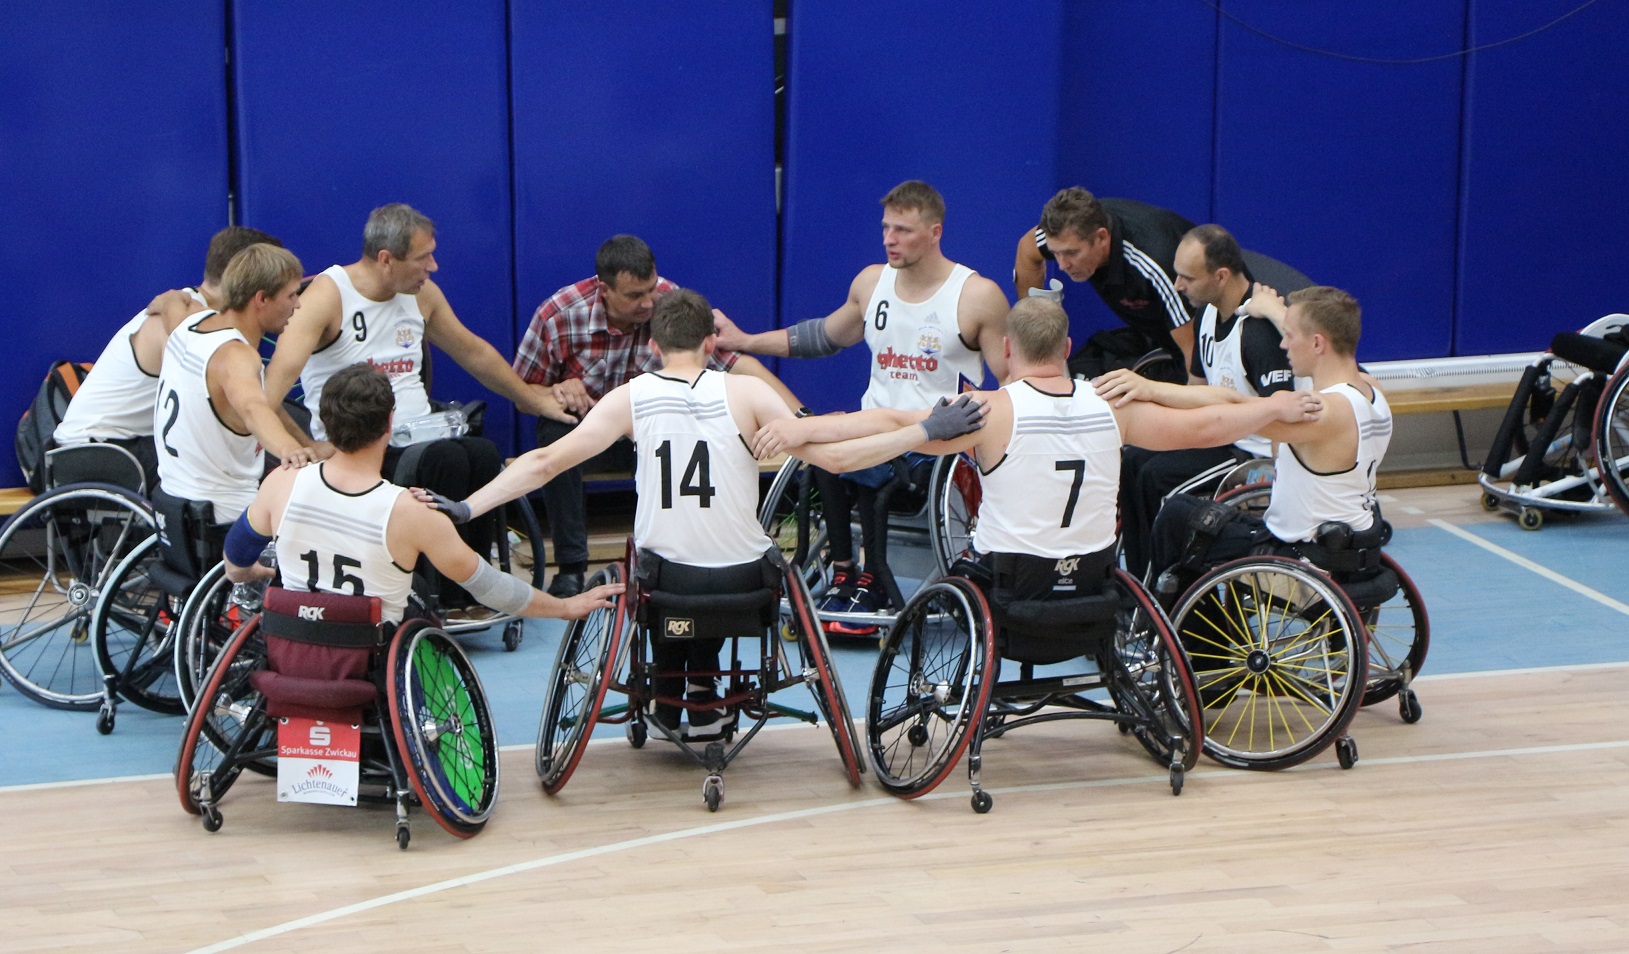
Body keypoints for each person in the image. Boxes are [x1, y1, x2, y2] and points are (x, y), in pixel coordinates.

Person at [421, 288, 985, 738]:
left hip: (667, 583)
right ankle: (702, 695)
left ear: (654, 341)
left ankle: (674, 693)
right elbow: (838, 451)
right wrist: (923, 429)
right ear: (712, 339)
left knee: (658, 565)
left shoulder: (632, 397)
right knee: (728, 558)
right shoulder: (746, 393)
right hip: (744, 583)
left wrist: (468, 505)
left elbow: (543, 463)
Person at [753, 297, 1323, 592]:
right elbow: (1210, 427)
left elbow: (881, 421)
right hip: (1095, 579)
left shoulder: (989, 412)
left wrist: (802, 428)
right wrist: (1272, 407)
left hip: (1013, 582)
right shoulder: (1112, 409)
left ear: (1006, 348)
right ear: (1069, 344)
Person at [712, 180, 1011, 628]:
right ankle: (843, 571)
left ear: (935, 232)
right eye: (886, 228)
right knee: (820, 446)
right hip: (875, 427)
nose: (890, 239)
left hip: (938, 443)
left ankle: (872, 577)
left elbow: (1009, 384)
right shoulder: (872, 282)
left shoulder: (976, 295)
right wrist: (745, 340)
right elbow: (824, 336)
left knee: (868, 460)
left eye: (904, 230)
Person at [263, 203, 544, 609]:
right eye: (423, 257)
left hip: (417, 429)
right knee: (444, 460)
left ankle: (475, 585)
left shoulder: (420, 294)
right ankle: (446, 598)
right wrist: (302, 447)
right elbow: (271, 390)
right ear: (386, 260)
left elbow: (473, 353)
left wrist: (532, 399)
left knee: (482, 454)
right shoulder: (327, 295)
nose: (433, 266)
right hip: (358, 442)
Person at [222, 362, 619, 627]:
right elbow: (490, 586)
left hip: (294, 648)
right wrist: (565, 607)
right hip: (369, 657)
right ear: (390, 423)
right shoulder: (412, 512)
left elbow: (236, 557)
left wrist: (250, 572)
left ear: (324, 421)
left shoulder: (282, 482)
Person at [511, 233, 799, 598]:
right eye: (635, 296)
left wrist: (801, 418)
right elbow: (522, 394)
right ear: (603, 288)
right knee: (554, 428)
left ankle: (699, 552)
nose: (648, 303)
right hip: (595, 434)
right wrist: (553, 392)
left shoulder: (669, 301)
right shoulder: (559, 314)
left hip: (655, 434)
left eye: (651, 289)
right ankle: (571, 566)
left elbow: (738, 365)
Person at [1141, 286, 1393, 598]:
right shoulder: (1371, 391)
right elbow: (1234, 397)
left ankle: (1195, 641)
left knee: (1177, 517)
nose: (1283, 344)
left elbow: (1230, 406)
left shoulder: (1322, 411)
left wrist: (1151, 392)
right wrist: (1273, 311)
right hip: (1352, 547)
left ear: (1317, 343)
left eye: (1288, 335)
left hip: (1303, 562)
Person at [1094, 224, 1300, 577]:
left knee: (1155, 478)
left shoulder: (1259, 333)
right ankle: (1140, 580)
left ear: (1220, 276)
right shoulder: (1205, 313)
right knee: (1132, 462)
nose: (1177, 286)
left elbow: (1283, 419)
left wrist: (1283, 489)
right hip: (1216, 434)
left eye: (1187, 277)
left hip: (1250, 453)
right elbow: (1195, 388)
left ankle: (1163, 586)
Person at [53, 226, 281, 491]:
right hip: (98, 454)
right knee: (231, 464)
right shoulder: (182, 321)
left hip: (113, 446)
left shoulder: (192, 311)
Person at [1013, 187, 1198, 380]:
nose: (1062, 265)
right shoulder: (1068, 233)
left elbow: (1196, 362)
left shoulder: (1153, 265)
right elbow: (1027, 250)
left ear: (1101, 237)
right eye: (1056, 253)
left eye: (1072, 253)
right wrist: (1034, 325)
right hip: (1154, 335)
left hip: (1198, 347)